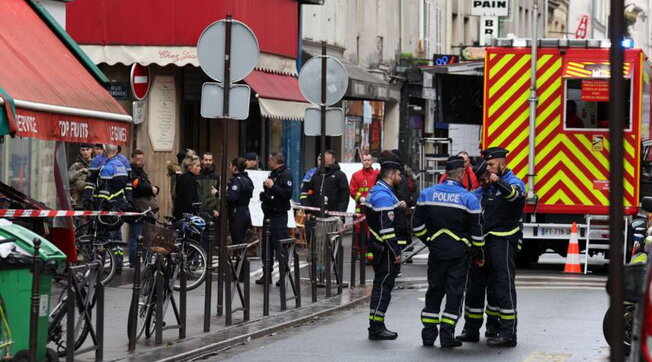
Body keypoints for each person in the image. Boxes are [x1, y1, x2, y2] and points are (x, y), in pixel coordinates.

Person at [412, 156, 484, 348]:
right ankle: (446, 335)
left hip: (436, 253)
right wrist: (478, 254)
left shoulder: (427, 194)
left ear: (446, 173)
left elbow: (416, 225)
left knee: (434, 291)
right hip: (459, 255)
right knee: (454, 294)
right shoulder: (469, 198)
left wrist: (430, 240)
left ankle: (428, 335)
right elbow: (477, 233)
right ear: (461, 174)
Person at [480, 146, 526, 347]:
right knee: (492, 285)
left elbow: (514, 195)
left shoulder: (514, 182)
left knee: (504, 284)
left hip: (504, 240)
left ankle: (509, 333)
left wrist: (499, 183)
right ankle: (493, 326)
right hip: (488, 240)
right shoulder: (489, 185)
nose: (488, 168)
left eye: (491, 164)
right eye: (487, 165)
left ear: (502, 163)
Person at [457, 160, 501, 343]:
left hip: (495, 248)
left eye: (484, 179)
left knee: (495, 291)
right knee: (474, 291)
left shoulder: (500, 194)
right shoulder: (475, 196)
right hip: (477, 250)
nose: (482, 183)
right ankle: (471, 329)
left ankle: (493, 327)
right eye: (480, 180)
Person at [363, 152, 403, 341]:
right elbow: (386, 228)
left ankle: (377, 324)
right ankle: (376, 327)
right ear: (392, 174)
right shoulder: (383, 196)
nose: (400, 178)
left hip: (379, 248)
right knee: (383, 288)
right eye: (399, 175)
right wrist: (396, 252)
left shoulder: (379, 191)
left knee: (381, 286)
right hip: (385, 250)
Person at [256, 152, 293, 285]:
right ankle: (266, 274)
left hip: (279, 215)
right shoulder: (272, 174)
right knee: (266, 245)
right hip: (268, 214)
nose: (268, 162)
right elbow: (270, 192)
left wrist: (273, 187)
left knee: (280, 246)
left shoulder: (286, 174)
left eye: (270, 160)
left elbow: (287, 194)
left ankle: (283, 276)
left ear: (274, 161)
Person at [129, 149, 159, 268]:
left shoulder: (141, 172)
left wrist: (154, 188)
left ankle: (146, 261)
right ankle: (133, 264)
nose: (140, 162)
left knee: (146, 237)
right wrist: (151, 188)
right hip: (138, 208)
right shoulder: (132, 172)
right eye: (138, 159)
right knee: (136, 236)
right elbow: (138, 186)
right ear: (133, 159)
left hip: (145, 209)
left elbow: (146, 185)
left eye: (141, 159)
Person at [349, 152, 379, 263]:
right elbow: (352, 191)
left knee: (373, 232)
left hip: (374, 208)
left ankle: (372, 255)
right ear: (362, 161)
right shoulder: (356, 175)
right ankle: (362, 253)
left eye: (368, 160)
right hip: (361, 209)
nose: (366, 162)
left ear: (372, 161)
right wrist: (360, 198)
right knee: (360, 232)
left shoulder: (377, 174)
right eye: (364, 160)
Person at [389, 150, 418, 255]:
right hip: (398, 209)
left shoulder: (404, 176)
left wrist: (407, 202)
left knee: (403, 232)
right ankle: (403, 252)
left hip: (402, 210)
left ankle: (405, 253)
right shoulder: (400, 175)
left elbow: (412, 193)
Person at [226, 157, 254, 245]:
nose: (229, 167)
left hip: (237, 212)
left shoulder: (237, 181)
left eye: (230, 165)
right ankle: (242, 258)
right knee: (241, 239)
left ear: (235, 168)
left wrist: (218, 194)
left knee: (237, 240)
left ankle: (241, 258)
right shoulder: (248, 180)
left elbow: (232, 198)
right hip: (246, 211)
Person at [173, 156, 201, 220]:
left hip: (180, 213)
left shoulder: (182, 177)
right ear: (190, 167)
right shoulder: (190, 180)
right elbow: (189, 200)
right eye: (197, 166)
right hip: (187, 216)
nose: (200, 168)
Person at [69, 143, 93, 208]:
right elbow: (70, 178)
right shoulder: (76, 165)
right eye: (83, 150)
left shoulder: (95, 164)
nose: (85, 152)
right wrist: (81, 171)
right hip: (79, 199)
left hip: (92, 197)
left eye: (87, 150)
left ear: (91, 150)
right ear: (80, 151)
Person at [197, 151, 220, 220]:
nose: (208, 162)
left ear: (212, 161)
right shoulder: (197, 175)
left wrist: (217, 209)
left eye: (210, 160)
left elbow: (218, 193)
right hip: (199, 209)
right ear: (202, 161)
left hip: (212, 211)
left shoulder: (216, 176)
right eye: (206, 160)